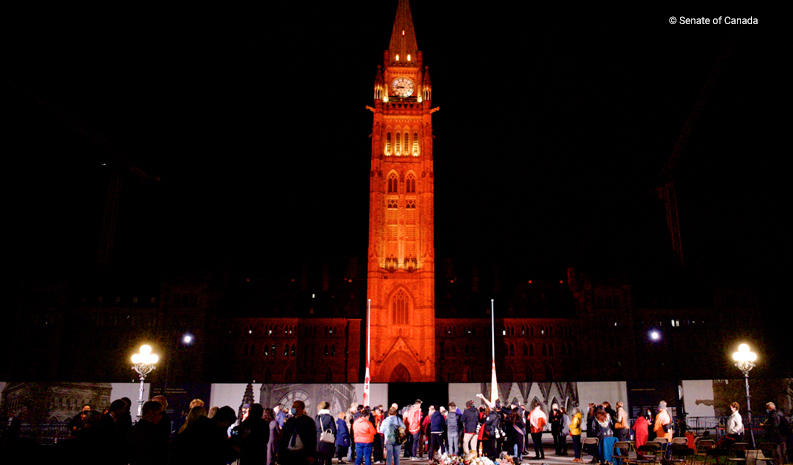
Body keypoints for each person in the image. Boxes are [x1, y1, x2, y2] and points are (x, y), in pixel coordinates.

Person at [173, 405, 238, 465]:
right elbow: (222, 456)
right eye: (228, 425)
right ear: (226, 422)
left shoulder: (195, 427)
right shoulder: (217, 434)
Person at [128, 400, 168, 465]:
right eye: (160, 413)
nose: (161, 416)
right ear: (152, 414)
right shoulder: (155, 431)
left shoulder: (134, 429)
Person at [279, 400, 317, 465]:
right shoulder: (290, 421)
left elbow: (312, 438)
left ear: (300, 408)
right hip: (289, 453)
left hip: (302, 454)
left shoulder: (308, 421)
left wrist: (311, 454)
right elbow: (284, 437)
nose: (292, 408)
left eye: (294, 407)